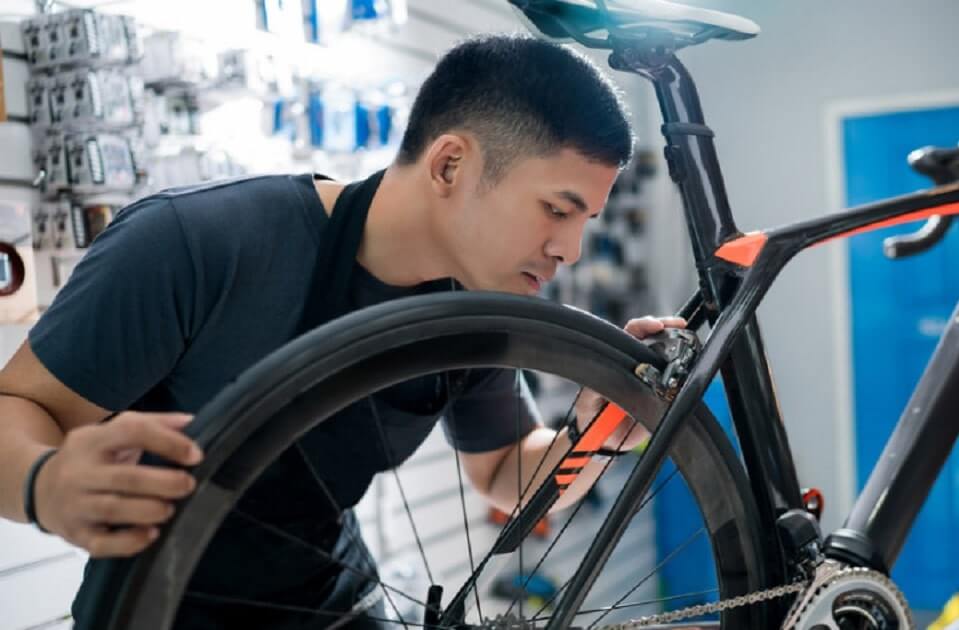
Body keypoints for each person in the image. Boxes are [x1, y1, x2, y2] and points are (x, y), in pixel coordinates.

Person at [0, 34, 683, 628]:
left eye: (584, 221)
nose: (569, 248)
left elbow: (504, 475)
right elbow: (16, 407)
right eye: (556, 209)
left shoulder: (473, 308)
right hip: (156, 604)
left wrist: (593, 434)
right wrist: (45, 483)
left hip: (331, 603)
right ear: (451, 165)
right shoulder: (199, 244)